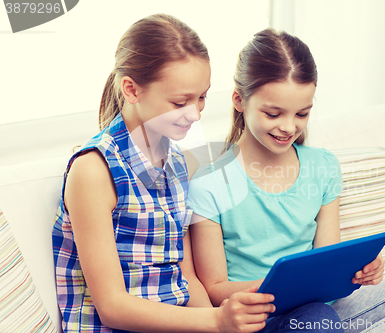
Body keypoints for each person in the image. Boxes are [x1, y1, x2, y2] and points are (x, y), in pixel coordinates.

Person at [187, 28, 385, 333]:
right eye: (273, 113)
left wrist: (356, 272)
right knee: (317, 320)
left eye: (302, 113)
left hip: (327, 313)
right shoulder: (211, 181)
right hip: (261, 321)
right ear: (239, 101)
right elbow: (215, 288)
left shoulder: (321, 166)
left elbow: (326, 261)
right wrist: (279, 288)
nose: (288, 127)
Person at [52, 14, 283, 333]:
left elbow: (185, 279)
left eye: (202, 97)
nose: (195, 113)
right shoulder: (93, 170)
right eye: (180, 101)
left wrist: (219, 326)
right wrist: (215, 320)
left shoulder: (177, 163)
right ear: (131, 90)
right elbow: (112, 307)